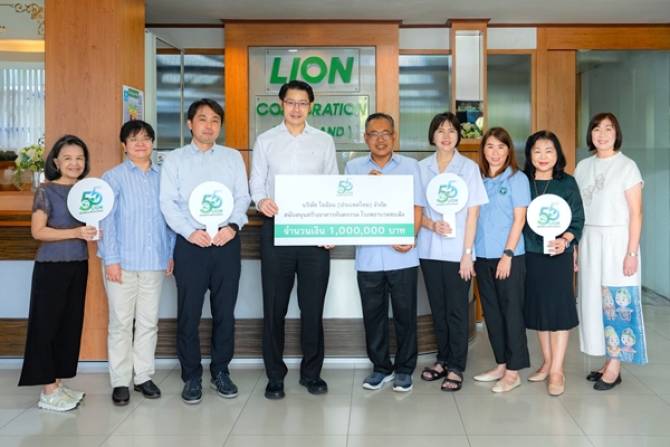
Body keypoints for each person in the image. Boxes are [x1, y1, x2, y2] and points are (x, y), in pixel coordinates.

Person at [249, 80, 338, 400]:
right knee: (274, 307)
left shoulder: (324, 141)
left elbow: (332, 186)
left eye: (302, 103)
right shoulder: (266, 141)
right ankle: (275, 375)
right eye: (291, 102)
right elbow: (256, 182)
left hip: (314, 233)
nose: (296, 108)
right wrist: (262, 201)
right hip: (277, 230)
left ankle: (312, 373)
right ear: (281, 104)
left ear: (311, 106)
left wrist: (330, 228)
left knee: (312, 308)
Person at [160, 98, 251, 404]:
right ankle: (191, 376)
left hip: (226, 241)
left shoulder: (232, 157)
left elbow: (242, 197)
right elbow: (167, 202)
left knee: (225, 311)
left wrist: (233, 227)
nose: (209, 125)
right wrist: (189, 232)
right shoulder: (174, 160)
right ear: (190, 124)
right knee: (189, 313)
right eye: (202, 119)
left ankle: (221, 371)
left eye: (215, 120)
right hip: (191, 244)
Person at [345, 113, 425, 392]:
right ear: (365, 138)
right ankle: (380, 367)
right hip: (368, 256)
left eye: (385, 133)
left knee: (405, 315)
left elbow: (417, 207)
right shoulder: (354, 167)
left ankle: (404, 369)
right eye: (374, 134)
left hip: (402, 255)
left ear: (394, 136)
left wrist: (410, 236)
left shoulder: (410, 166)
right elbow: (348, 206)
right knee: (373, 316)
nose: (380, 139)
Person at [98, 120, 175, 406]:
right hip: (122, 263)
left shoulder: (164, 177)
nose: (140, 143)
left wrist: (170, 253)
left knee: (147, 322)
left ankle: (143, 376)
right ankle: (120, 381)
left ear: (153, 143)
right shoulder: (113, 177)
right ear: (124, 145)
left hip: (154, 260)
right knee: (120, 322)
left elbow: (170, 219)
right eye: (133, 139)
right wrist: (111, 260)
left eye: (145, 138)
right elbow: (107, 221)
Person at [18, 135, 97, 411]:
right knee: (46, 326)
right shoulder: (46, 191)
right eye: (68, 158)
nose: (74, 163)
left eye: (79, 158)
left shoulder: (86, 192)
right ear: (55, 162)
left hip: (79, 263)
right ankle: (47, 390)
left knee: (68, 325)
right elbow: (38, 231)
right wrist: (75, 232)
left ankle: (57, 382)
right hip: (51, 266)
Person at [575, 112, 646, 390]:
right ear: (590, 134)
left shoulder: (627, 166)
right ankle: (607, 359)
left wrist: (631, 253)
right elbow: (578, 210)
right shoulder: (583, 166)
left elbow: (636, 213)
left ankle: (615, 365)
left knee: (616, 301)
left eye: (608, 129)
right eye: (597, 129)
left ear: (617, 134)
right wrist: (575, 249)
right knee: (593, 300)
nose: (602, 134)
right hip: (589, 238)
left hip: (618, 241)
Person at [417, 112, 488, 392]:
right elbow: (415, 209)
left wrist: (467, 253)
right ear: (432, 136)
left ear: (458, 135)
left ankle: (456, 366)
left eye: (451, 131)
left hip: (459, 252)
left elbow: (473, 214)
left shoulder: (468, 168)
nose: (446, 136)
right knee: (438, 309)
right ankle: (442, 359)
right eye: (440, 131)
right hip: (430, 249)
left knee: (457, 310)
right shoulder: (421, 168)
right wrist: (431, 224)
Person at [522, 130, 584, 396]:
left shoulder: (567, 183)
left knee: (558, 310)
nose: (543, 156)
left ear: (557, 154)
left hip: (559, 255)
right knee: (540, 309)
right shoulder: (523, 182)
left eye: (549, 151)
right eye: (537, 151)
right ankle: (547, 362)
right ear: (529, 155)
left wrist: (566, 240)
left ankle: (557, 370)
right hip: (531, 253)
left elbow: (578, 218)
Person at [473, 127, 531, 393]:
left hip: (508, 257)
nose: (495, 152)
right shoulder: (479, 180)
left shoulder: (517, 179)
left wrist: (507, 254)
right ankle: (501, 364)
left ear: (509, 150)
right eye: (490, 146)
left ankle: (513, 372)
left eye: (500, 147)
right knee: (492, 313)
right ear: (483, 150)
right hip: (482, 255)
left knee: (511, 313)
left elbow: (519, 220)